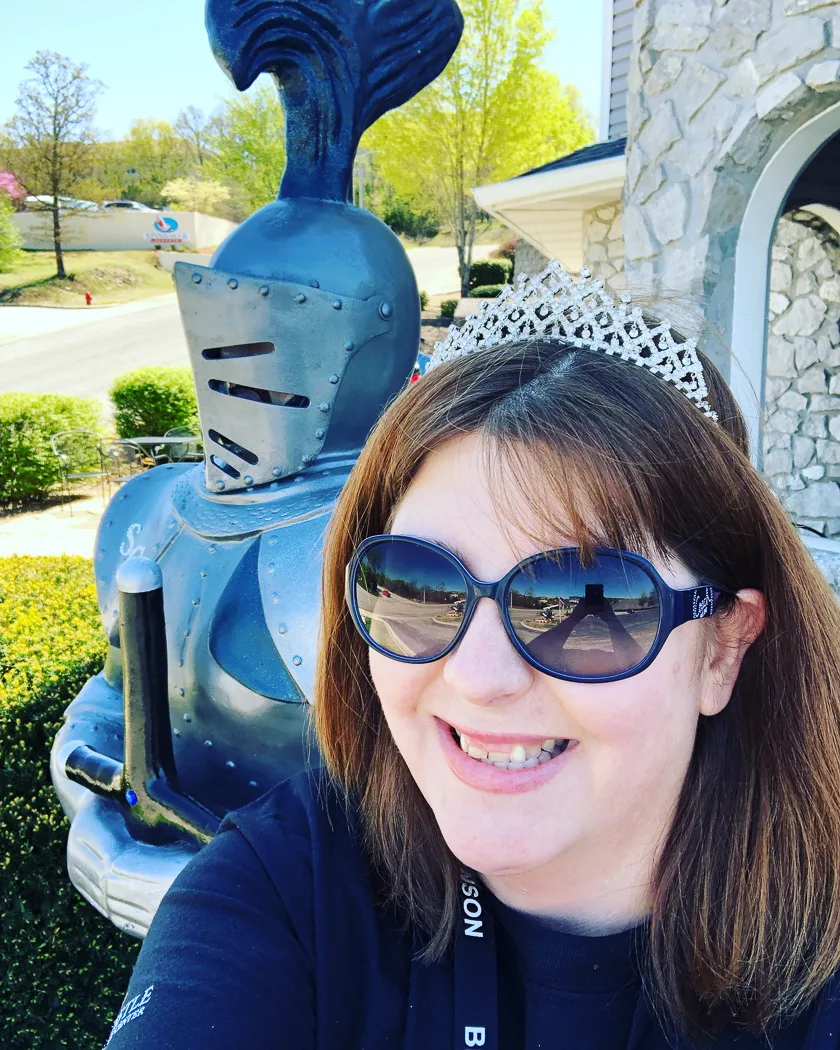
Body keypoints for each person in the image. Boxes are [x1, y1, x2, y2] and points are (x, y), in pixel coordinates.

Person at [101, 264, 840, 1049]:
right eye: (418, 586)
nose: (479, 678)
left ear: (723, 647)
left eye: (587, 604)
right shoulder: (283, 889)